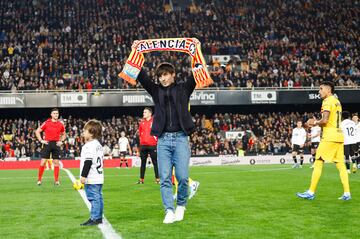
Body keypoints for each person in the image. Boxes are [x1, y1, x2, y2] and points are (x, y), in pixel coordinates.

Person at [136, 62, 196, 224]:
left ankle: (181, 205)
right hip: (162, 140)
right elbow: (141, 76)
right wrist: (135, 52)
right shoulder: (155, 91)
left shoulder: (184, 89)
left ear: (173, 74)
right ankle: (169, 210)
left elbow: (197, 74)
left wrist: (196, 51)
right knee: (165, 178)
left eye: (166, 75)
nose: (163, 78)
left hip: (181, 138)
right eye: (160, 76)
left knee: (183, 178)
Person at [297, 81, 351, 201]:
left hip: (330, 137)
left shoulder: (327, 101)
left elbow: (325, 120)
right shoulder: (337, 101)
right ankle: (347, 193)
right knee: (341, 165)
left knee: (318, 161)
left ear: (328, 90)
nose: (319, 91)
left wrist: (315, 122)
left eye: (321, 89)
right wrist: (314, 124)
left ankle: (311, 192)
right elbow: (329, 121)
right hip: (339, 136)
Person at [79, 119, 104, 226]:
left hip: (92, 177)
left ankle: (95, 218)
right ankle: (98, 216)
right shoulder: (98, 144)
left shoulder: (88, 146)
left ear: (91, 133)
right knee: (98, 197)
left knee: (93, 198)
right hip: (99, 176)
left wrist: (83, 176)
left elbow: (88, 162)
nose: (83, 133)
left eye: (85, 131)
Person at [35, 108, 66, 186]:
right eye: (54, 113)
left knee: (56, 163)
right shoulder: (46, 123)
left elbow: (64, 134)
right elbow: (37, 131)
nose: (56, 115)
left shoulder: (60, 124)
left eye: (57, 113)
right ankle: (39, 180)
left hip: (56, 144)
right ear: (51, 115)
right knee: (43, 162)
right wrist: (41, 140)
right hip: (47, 143)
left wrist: (61, 141)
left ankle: (56, 181)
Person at [137, 107, 159, 184]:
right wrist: (140, 145)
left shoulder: (155, 121)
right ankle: (141, 179)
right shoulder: (142, 123)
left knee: (155, 162)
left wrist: (156, 140)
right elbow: (139, 134)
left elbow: (158, 132)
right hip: (143, 145)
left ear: (150, 113)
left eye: (145, 112)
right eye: (143, 112)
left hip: (152, 145)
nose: (143, 114)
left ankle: (158, 179)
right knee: (143, 163)